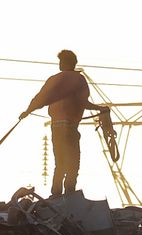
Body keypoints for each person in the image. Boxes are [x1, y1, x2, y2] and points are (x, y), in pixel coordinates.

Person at [20, 49, 107, 196]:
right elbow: (82, 102)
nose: (59, 65)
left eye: (61, 62)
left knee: (59, 164)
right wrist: (100, 109)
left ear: (66, 63)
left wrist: (28, 111)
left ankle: (56, 195)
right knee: (73, 164)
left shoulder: (54, 80)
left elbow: (40, 98)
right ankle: (69, 194)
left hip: (56, 128)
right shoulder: (78, 80)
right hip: (70, 128)